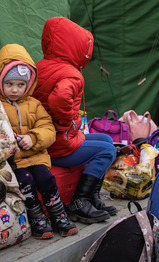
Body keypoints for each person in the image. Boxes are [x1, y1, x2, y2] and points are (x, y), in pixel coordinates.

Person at [32, 17, 117, 224]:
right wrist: (68, 120)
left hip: (45, 139)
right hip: (55, 145)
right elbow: (59, 98)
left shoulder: (42, 65)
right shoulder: (71, 73)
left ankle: (92, 197)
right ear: (78, 47)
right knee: (108, 150)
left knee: (106, 140)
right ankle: (79, 202)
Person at [0, 43, 77, 239]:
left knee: (45, 177)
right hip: (14, 162)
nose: (15, 90)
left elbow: (48, 128)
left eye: (20, 85)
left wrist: (33, 137)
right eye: (9, 84)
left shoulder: (34, 104)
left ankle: (58, 214)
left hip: (36, 156)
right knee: (26, 180)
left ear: (28, 84)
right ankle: (36, 216)